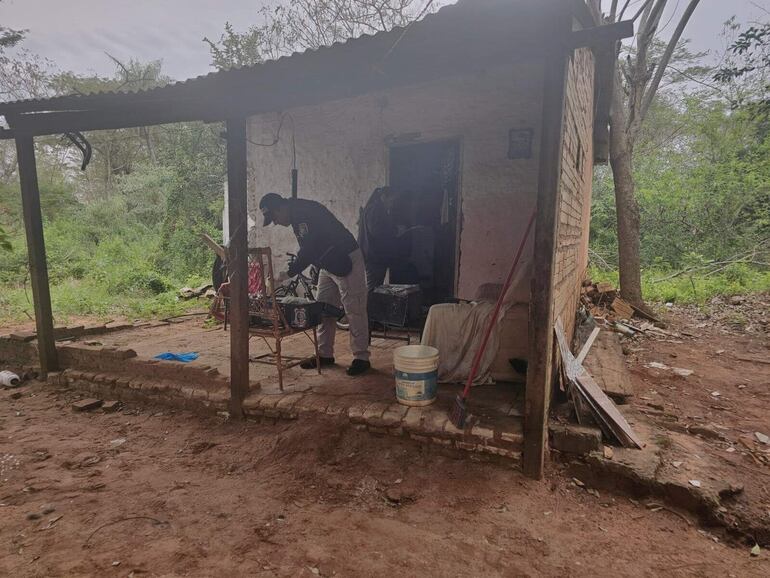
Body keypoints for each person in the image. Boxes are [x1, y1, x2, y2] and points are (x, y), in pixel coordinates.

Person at [259, 192, 370, 376]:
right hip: (328, 263)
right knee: (322, 308)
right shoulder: (295, 215)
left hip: (346, 258)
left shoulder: (303, 212)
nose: (276, 222)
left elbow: (308, 249)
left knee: (354, 309)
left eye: (274, 217)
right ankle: (324, 354)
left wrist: (285, 274)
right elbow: (310, 249)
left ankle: (362, 357)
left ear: (280, 208)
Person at [358, 186, 402, 292]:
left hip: (374, 256)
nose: (392, 204)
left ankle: (371, 307)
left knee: (375, 287)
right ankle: (369, 308)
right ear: (383, 197)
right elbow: (377, 231)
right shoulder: (375, 210)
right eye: (391, 200)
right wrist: (396, 231)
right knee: (373, 288)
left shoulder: (375, 209)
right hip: (374, 257)